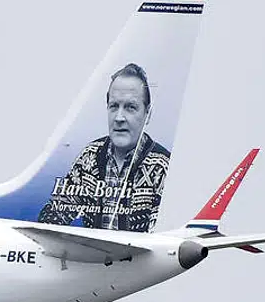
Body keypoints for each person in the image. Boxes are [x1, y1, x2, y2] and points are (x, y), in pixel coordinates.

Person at [38, 62, 170, 232]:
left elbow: (162, 236)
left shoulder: (163, 167)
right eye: (114, 106)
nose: (119, 118)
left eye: (130, 107)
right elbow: (55, 211)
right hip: (88, 250)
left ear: (148, 114)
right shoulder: (89, 157)